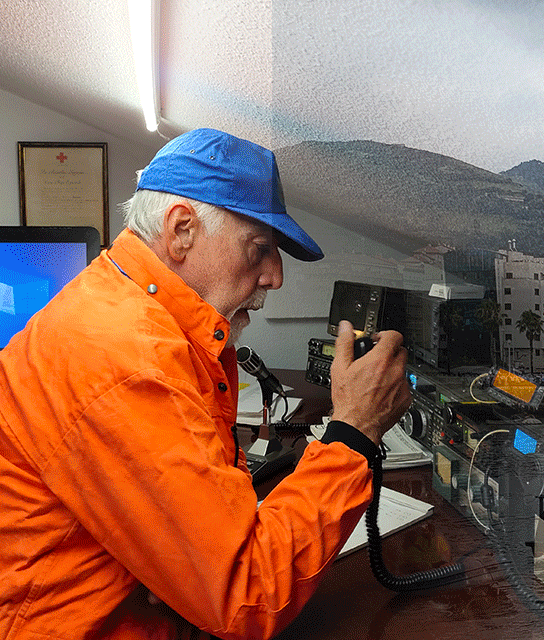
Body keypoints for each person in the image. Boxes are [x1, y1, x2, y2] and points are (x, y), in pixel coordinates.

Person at [0, 128, 413, 638]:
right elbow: (249, 591)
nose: (275, 277)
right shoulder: (125, 360)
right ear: (181, 231)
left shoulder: (131, 313)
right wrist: (355, 430)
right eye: (259, 248)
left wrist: (181, 566)